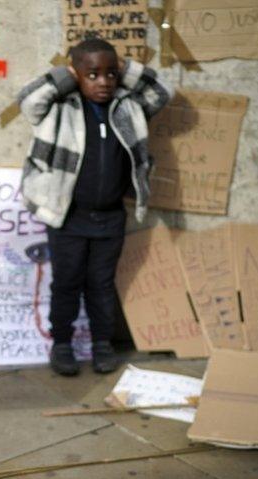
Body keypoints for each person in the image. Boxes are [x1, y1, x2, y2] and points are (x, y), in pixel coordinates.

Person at [16, 38, 173, 376]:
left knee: (101, 283)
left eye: (110, 74)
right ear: (76, 75)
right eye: (92, 74)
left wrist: (122, 66)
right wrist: (67, 76)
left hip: (110, 217)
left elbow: (160, 92)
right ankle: (62, 345)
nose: (103, 82)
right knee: (67, 282)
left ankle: (103, 344)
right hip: (67, 216)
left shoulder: (128, 106)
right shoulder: (61, 107)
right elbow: (27, 100)